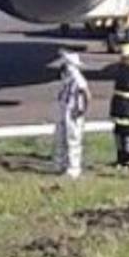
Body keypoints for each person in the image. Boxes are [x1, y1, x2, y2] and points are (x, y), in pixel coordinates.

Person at [53, 50, 90, 179]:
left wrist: (83, 108)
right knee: (60, 136)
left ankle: (74, 169)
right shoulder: (66, 75)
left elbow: (86, 92)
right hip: (64, 107)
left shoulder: (76, 76)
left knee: (73, 138)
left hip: (73, 109)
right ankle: (60, 164)